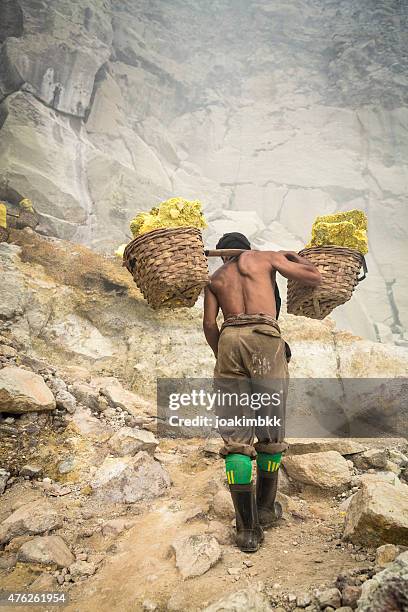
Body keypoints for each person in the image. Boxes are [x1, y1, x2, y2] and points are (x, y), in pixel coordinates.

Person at [203, 232, 321, 552]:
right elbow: (313, 276)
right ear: (246, 248)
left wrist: (224, 358)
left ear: (224, 254)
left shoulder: (214, 278)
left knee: (236, 441)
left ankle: (247, 530)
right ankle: (266, 510)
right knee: (270, 432)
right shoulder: (264, 258)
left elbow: (210, 326)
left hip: (229, 340)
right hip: (264, 337)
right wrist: (291, 256)